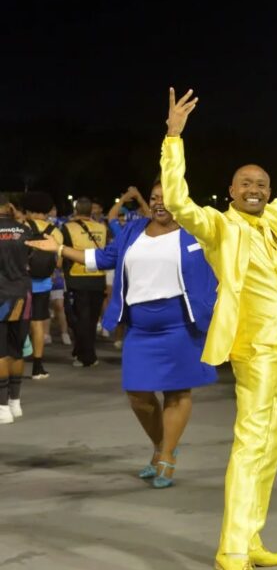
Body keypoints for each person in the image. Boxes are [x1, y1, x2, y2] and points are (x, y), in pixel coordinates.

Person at [160, 88, 277, 570]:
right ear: (231, 192)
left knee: (271, 446)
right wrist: (174, 137)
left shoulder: (274, 222)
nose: (254, 188)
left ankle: (251, 535)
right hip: (253, 351)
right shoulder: (217, 227)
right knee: (250, 444)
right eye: (245, 183)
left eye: (261, 184)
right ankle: (230, 550)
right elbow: (177, 200)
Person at [27, 182, 218, 487]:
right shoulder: (133, 231)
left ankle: (166, 457)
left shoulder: (199, 231)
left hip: (182, 325)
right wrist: (59, 249)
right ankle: (162, 445)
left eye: (167, 199)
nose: (159, 204)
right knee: (138, 394)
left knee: (177, 392)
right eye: (155, 198)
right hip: (140, 328)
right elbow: (101, 259)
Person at [60, 197, 108, 366]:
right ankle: (81, 351)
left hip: (76, 277)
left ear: (76, 210)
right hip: (98, 276)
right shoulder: (102, 228)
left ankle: (86, 356)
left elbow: (62, 252)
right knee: (92, 318)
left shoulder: (67, 228)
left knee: (79, 318)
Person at [21, 192, 63, 380]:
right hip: (43, 284)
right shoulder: (56, 231)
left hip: (21, 282)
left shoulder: (22, 227)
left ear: (28, 209)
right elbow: (60, 262)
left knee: (17, 322)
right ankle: (38, 367)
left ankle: (13, 361)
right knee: (38, 322)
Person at [0, 193, 32, 424]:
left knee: (0, 353)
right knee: (16, 349)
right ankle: (15, 401)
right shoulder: (24, 230)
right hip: (23, 293)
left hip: (1, 296)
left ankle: (2, 407)